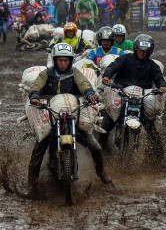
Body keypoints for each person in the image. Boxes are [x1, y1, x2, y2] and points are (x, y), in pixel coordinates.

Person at [27, 42, 112, 195]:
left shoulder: (75, 73)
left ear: (71, 61)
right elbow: (36, 87)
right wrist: (34, 96)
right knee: (38, 149)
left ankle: (102, 173)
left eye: (66, 60)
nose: (63, 63)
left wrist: (89, 94)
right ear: (55, 60)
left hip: (72, 114)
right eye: (60, 60)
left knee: (95, 146)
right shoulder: (46, 74)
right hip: (52, 115)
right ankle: (32, 185)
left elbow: (84, 84)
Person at [100, 34, 166, 162]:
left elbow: (158, 77)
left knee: (150, 128)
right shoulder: (125, 59)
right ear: (136, 49)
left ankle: (158, 158)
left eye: (145, 51)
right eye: (140, 50)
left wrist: (162, 86)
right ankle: (100, 154)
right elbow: (113, 66)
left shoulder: (152, 65)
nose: (142, 53)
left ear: (149, 52)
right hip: (122, 93)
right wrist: (107, 76)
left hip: (141, 98)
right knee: (107, 124)